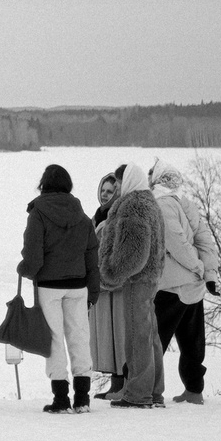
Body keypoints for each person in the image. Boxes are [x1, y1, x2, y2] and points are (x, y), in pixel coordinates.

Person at [18, 163, 101, 413]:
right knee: (79, 338)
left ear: (43, 185)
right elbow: (91, 258)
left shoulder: (38, 214)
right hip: (78, 287)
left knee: (54, 339)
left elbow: (33, 256)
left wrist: (24, 269)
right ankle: (83, 399)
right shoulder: (83, 217)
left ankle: (61, 398)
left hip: (49, 287)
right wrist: (93, 291)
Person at [97, 161, 169, 408]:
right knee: (150, 336)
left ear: (126, 180)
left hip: (136, 281)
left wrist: (110, 275)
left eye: (118, 181)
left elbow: (133, 252)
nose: (116, 187)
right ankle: (155, 392)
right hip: (151, 278)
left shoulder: (132, 206)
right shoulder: (151, 203)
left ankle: (138, 394)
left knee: (137, 336)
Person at [148, 162, 220, 405]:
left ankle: (146, 389)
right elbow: (205, 241)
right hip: (195, 287)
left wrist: (199, 268)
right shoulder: (186, 204)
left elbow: (176, 243)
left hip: (172, 286)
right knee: (192, 342)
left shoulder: (161, 204)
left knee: (155, 340)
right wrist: (209, 274)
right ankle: (194, 389)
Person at [87, 168, 123, 395]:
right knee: (105, 338)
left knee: (118, 335)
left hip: (115, 285)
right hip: (99, 285)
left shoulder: (118, 216)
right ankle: (115, 383)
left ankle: (123, 381)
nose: (105, 194)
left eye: (110, 191)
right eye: (103, 190)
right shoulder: (97, 216)